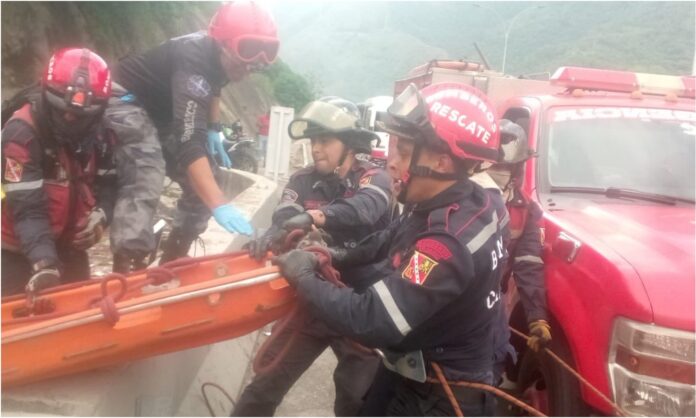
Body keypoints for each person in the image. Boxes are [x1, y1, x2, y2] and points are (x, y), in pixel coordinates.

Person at [271, 82, 505, 416]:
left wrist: (304, 277)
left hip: (441, 391)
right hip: (417, 364)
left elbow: (374, 318)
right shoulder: (463, 200)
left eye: (405, 152)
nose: (392, 163)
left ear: (442, 162)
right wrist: (335, 256)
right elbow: (388, 238)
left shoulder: (444, 245)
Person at [233, 97, 396, 417]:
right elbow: (283, 218)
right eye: (313, 140)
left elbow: (365, 209)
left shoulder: (375, 178)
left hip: (360, 306)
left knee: (356, 400)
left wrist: (314, 217)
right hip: (311, 299)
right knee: (263, 388)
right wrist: (268, 237)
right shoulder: (302, 180)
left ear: (348, 143)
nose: (316, 148)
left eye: (325, 140)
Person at [106, 0, 278, 271]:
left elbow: (215, 87)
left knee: (210, 176)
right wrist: (219, 204)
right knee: (147, 170)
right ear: (221, 43)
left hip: (160, 114)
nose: (248, 68)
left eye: (258, 60)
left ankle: (174, 259)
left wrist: (214, 127)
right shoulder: (194, 58)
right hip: (124, 99)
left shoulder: (221, 58)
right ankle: (128, 265)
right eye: (243, 56)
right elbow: (189, 141)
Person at [1, 48, 117, 297]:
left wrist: (102, 215)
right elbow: (27, 209)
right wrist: (45, 265)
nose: (68, 117)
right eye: (62, 110)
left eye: (78, 116)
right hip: (15, 251)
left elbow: (110, 184)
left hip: (71, 248)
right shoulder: (21, 135)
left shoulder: (102, 135)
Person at [474, 119, 551, 384]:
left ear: (517, 169)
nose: (499, 172)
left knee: (490, 369)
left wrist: (537, 317)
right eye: (494, 165)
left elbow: (528, 264)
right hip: (450, 302)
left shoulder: (526, 210)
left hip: (490, 306)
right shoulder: (460, 199)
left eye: (505, 167)